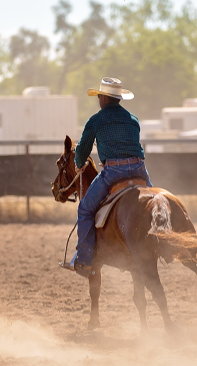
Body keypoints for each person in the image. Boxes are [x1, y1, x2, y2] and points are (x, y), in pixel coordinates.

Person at [65, 77, 152, 278]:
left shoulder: (96, 120)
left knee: (85, 209)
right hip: (139, 169)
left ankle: (85, 260)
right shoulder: (133, 119)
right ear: (118, 98)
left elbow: (82, 151)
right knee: (153, 203)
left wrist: (78, 164)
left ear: (103, 98)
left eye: (99, 96)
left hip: (114, 172)